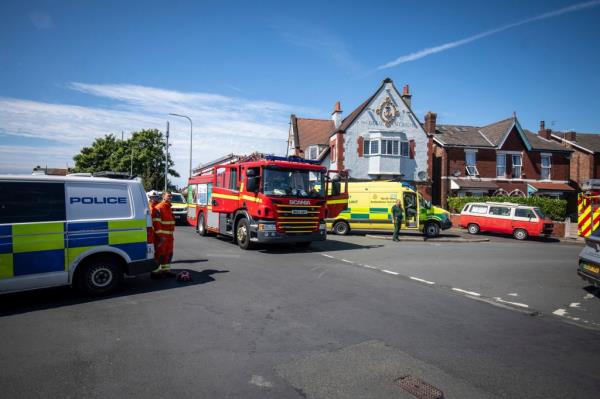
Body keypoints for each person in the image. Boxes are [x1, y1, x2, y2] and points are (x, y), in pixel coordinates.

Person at [152, 192, 176, 278]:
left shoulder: (168, 207)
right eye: (168, 196)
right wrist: (160, 236)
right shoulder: (159, 207)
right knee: (160, 254)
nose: (170, 197)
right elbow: (156, 223)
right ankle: (155, 272)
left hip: (169, 236)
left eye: (171, 196)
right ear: (163, 197)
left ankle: (166, 270)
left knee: (168, 254)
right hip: (162, 237)